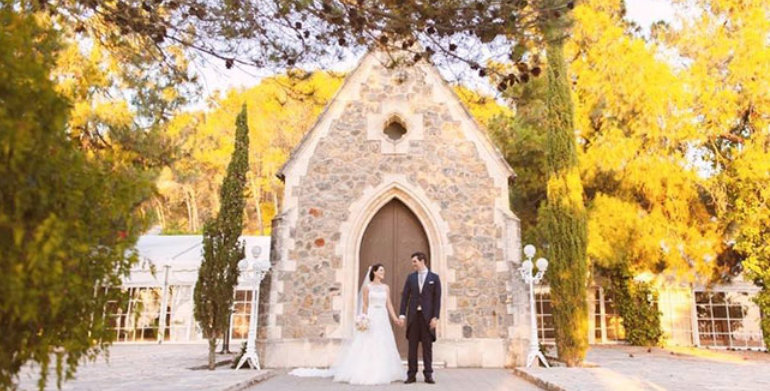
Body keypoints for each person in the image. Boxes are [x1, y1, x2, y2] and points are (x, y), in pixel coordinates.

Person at [289, 263, 404, 385]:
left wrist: (395, 318)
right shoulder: (368, 287)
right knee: (369, 341)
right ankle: (367, 370)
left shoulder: (386, 287)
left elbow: (389, 304)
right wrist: (364, 318)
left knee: (383, 341)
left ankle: (385, 370)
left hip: (382, 316)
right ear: (374, 272)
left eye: (383, 271)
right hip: (372, 315)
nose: (383, 273)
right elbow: (365, 304)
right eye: (381, 270)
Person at [399, 252, 441, 384]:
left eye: (414, 262)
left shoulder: (435, 278)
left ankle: (428, 375)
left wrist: (435, 317)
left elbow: (437, 300)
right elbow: (405, 297)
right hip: (413, 317)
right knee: (412, 347)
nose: (413, 264)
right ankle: (411, 375)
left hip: (427, 318)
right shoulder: (410, 278)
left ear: (422, 261)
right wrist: (402, 314)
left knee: (427, 347)